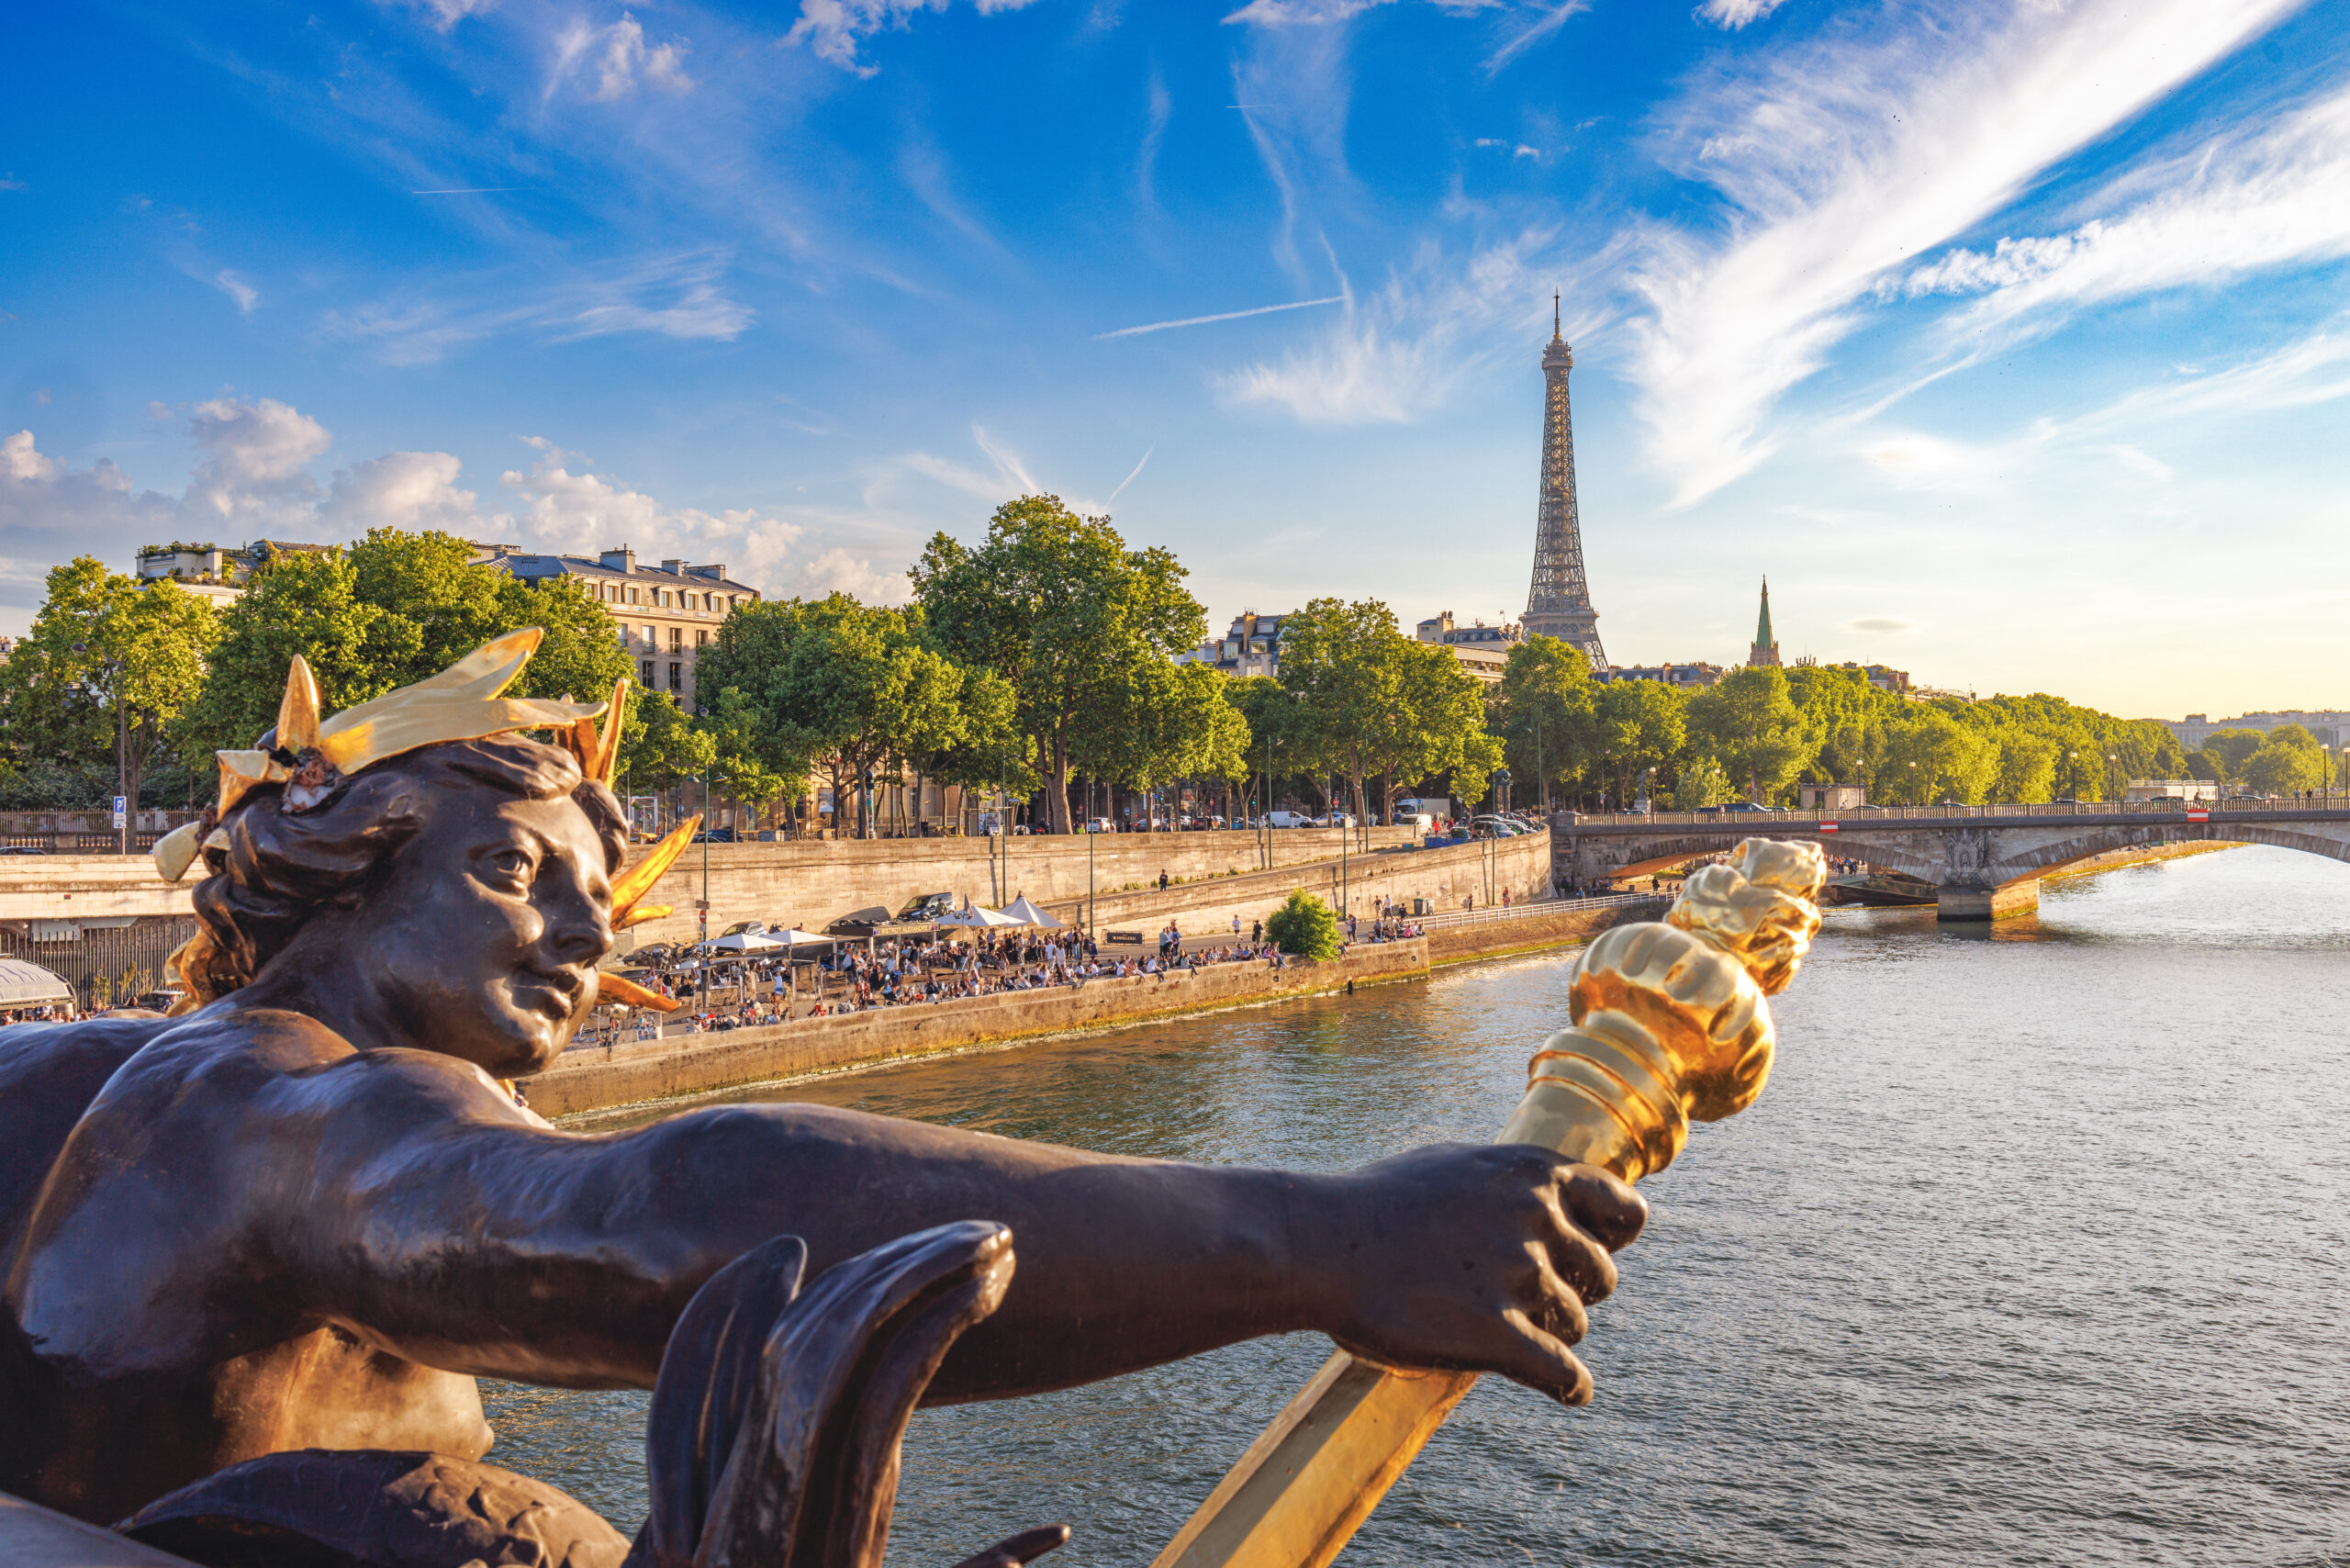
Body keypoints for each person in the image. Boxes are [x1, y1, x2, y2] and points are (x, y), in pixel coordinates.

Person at [0, 644, 1654, 1531]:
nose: (587, 931)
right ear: (343, 870)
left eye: (601, 893)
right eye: (515, 869)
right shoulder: (286, 1104)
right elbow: (646, 1219)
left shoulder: (91, 1072)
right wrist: (1322, 1241)